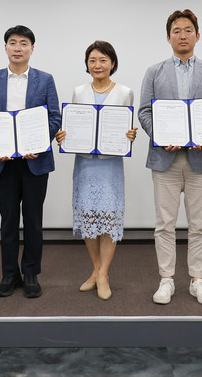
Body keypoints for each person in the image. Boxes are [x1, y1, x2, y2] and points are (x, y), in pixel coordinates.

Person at [138, 9, 202, 306]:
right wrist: (162, 136)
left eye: (188, 30)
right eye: (176, 30)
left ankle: (198, 280)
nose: (183, 35)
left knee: (199, 225)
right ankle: (166, 279)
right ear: (168, 37)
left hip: (201, 158)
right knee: (164, 223)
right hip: (166, 158)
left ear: (197, 35)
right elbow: (145, 112)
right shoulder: (154, 72)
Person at [0, 25, 61, 299]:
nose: (18, 48)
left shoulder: (45, 79)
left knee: (33, 220)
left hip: (35, 161)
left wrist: (36, 144)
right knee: (8, 221)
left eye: (23, 43)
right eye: (13, 43)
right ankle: (9, 273)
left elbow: (54, 118)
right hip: (2, 162)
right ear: (5, 47)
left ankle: (30, 273)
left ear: (32, 49)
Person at [54, 41, 137, 300]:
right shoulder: (79, 91)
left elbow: (126, 126)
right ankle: (96, 270)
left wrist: (129, 135)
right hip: (85, 163)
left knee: (109, 218)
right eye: (92, 60)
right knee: (88, 217)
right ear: (87, 64)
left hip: (110, 164)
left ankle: (103, 275)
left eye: (103, 60)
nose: (97, 65)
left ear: (113, 63)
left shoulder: (125, 92)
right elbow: (73, 125)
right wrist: (64, 136)